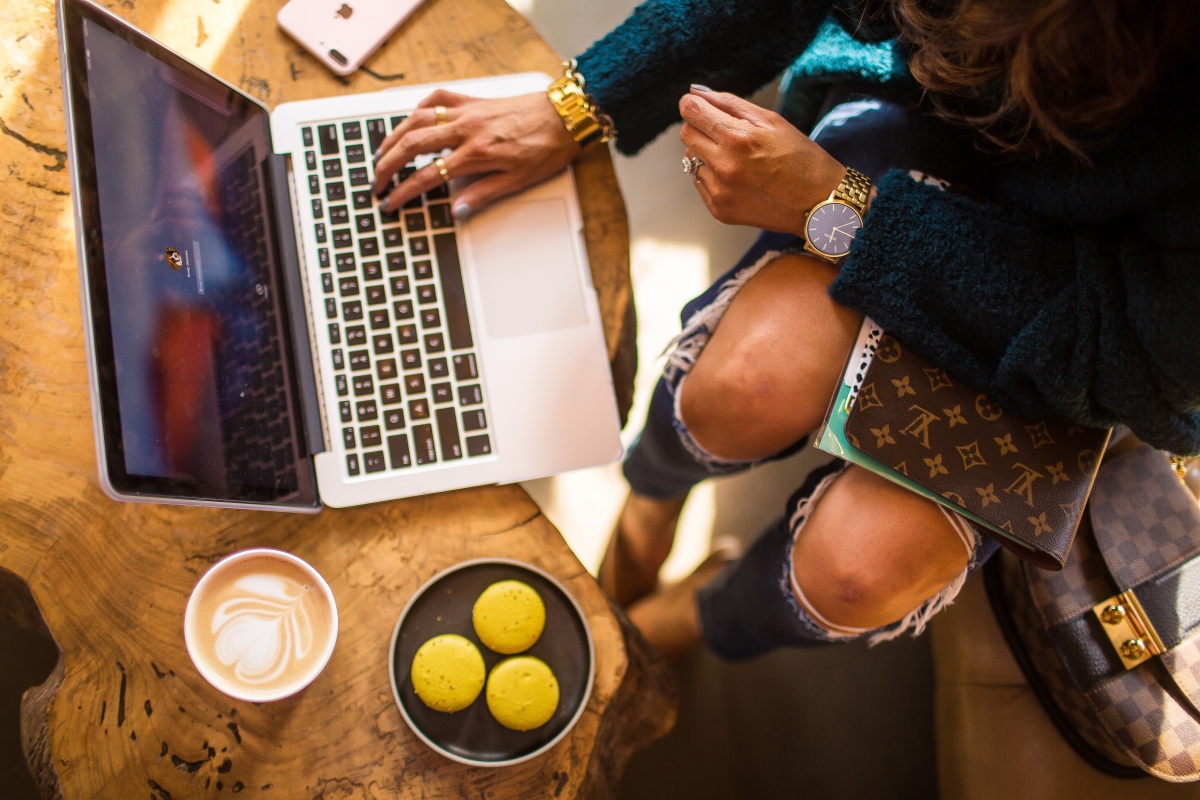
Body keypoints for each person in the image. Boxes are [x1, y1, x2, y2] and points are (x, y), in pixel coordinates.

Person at [372, 0, 1200, 662]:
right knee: (746, 378)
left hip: (1096, 304)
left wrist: (843, 212)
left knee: (854, 573)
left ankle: (675, 626)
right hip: (925, 110)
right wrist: (581, 101)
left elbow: (1139, 353)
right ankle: (653, 498)